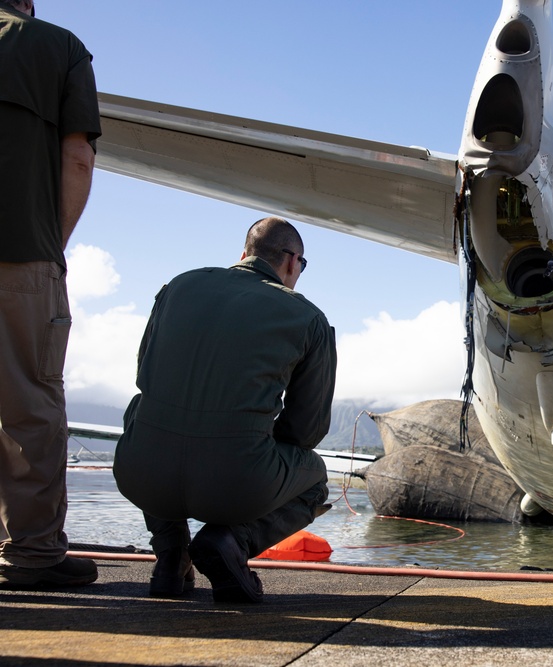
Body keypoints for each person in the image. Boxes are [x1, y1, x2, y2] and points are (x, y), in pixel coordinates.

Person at [113, 217, 337, 603]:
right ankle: (231, 541)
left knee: (141, 409)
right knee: (314, 477)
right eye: (302, 266)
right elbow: (305, 432)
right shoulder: (309, 318)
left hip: (140, 474)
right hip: (237, 486)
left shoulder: (178, 286)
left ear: (243, 255)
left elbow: (143, 373)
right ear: (291, 261)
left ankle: (170, 556)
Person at [0, 0, 102, 589]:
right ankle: (32, 556)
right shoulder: (60, 48)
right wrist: (51, 245)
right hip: (23, 253)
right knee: (29, 410)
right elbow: (78, 159)